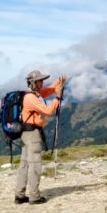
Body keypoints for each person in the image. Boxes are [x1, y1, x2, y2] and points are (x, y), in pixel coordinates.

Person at [14, 70, 66, 205]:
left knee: (24, 164)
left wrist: (59, 82)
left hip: (26, 133)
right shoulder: (31, 98)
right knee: (35, 165)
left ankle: (19, 195)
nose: (42, 83)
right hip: (32, 135)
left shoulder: (32, 94)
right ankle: (34, 196)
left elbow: (48, 91)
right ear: (33, 82)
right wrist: (58, 98)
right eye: (39, 81)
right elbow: (48, 111)